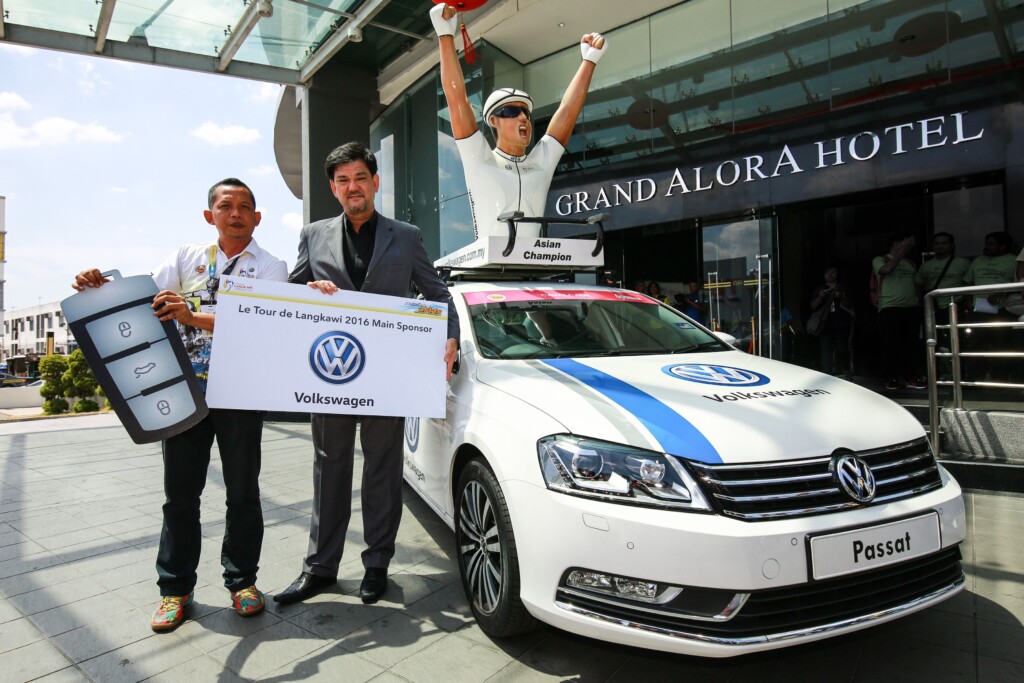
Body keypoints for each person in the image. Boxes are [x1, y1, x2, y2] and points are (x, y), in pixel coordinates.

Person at [72, 178, 288, 632]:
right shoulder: (185, 259)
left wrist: (191, 316)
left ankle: (242, 582)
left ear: (257, 217)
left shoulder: (271, 267)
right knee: (180, 498)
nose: (235, 213)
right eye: (225, 206)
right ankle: (175, 590)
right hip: (184, 394)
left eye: (245, 206)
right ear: (209, 216)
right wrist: (99, 289)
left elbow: (263, 323)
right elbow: (139, 303)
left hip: (241, 394)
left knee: (243, 494)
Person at [274, 142, 460, 606]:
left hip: (388, 377)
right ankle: (320, 567)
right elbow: (291, 294)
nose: (352, 187)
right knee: (328, 469)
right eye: (342, 180)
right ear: (333, 188)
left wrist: (450, 334)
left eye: (360, 177)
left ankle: (377, 565)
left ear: (375, 182)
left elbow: (437, 292)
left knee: (382, 470)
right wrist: (308, 288)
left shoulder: (407, 235)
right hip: (332, 371)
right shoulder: (313, 235)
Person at [431, 2, 606, 241]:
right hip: (489, 269)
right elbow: (457, 99)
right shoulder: (479, 158)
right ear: (493, 120)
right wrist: (444, 36)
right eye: (512, 111)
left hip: (536, 267)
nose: (523, 117)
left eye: (526, 113)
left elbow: (567, 111)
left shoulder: (540, 162)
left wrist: (589, 62)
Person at [963, 231, 1018, 380]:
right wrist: (969, 301)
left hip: (1002, 309)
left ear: (1003, 246)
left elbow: (1019, 285)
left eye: (991, 244)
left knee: (1001, 344)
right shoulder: (978, 261)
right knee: (976, 345)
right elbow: (968, 282)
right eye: (986, 243)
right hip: (978, 308)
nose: (987, 247)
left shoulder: (1013, 260)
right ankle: (974, 379)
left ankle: (1000, 379)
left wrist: (1003, 293)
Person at [873, 233, 924, 390]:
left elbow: (917, 285)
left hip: (911, 308)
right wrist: (902, 251)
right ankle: (891, 378)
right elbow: (886, 271)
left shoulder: (910, 263)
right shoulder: (880, 259)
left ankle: (911, 377)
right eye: (905, 242)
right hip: (889, 308)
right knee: (891, 345)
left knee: (911, 345)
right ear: (896, 243)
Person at [809, 265, 854, 377]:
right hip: (825, 324)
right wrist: (820, 296)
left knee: (842, 349)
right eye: (827, 273)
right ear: (824, 276)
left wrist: (841, 296)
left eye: (833, 272)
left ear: (837, 274)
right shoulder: (820, 289)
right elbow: (813, 307)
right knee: (826, 351)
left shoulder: (843, 287)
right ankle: (827, 375)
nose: (830, 275)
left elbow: (850, 304)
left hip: (841, 323)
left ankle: (846, 371)